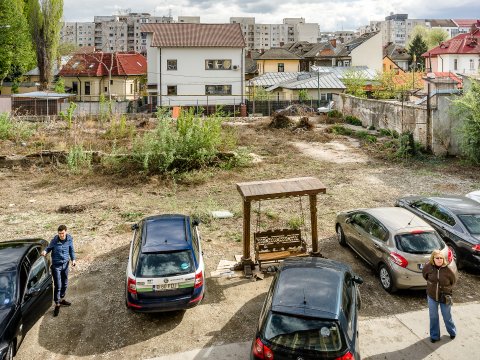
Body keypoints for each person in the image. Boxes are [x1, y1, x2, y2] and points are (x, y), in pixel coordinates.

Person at [422, 249, 457, 343]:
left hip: (445, 296)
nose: (439, 260)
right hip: (432, 296)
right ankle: (434, 336)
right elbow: (424, 275)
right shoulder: (428, 267)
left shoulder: (448, 270)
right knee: (433, 316)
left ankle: (452, 331)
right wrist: (431, 285)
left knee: (446, 316)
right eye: (437, 258)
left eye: (441, 258)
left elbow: (453, 281)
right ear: (433, 258)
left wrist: (446, 290)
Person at [41, 224, 76, 317]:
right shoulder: (54, 240)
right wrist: (45, 251)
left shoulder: (69, 239)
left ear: (66, 232)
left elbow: (71, 250)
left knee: (65, 284)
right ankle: (57, 304)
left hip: (65, 265)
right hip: (56, 266)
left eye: (63, 233)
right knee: (58, 285)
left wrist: (73, 259)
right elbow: (48, 248)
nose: (61, 235)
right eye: (60, 233)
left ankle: (61, 299)